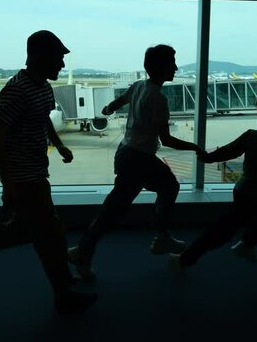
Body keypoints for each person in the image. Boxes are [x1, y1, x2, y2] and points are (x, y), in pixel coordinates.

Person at [67, 44, 205, 280]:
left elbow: (122, 99)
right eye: (172, 63)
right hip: (138, 160)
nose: (175, 67)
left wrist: (109, 107)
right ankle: (83, 252)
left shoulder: (140, 86)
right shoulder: (158, 99)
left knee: (127, 203)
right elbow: (167, 139)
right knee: (116, 210)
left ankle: (84, 250)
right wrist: (195, 148)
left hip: (127, 154)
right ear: (161, 67)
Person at [0, 30, 96, 314]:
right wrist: (7, 183)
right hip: (24, 180)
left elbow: (45, 121)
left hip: (38, 174)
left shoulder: (44, 88)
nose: (62, 64)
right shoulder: (16, 89)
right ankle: (63, 294)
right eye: (58, 58)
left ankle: (63, 281)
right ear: (40, 58)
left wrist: (59, 146)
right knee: (49, 237)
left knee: (51, 232)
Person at [169, 93, 257, 271]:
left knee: (224, 229)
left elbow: (228, 151)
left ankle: (189, 258)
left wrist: (206, 157)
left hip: (242, 189)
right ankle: (243, 246)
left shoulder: (251, 136)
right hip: (256, 194)